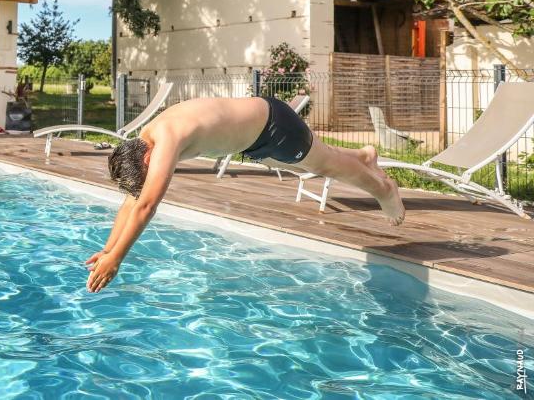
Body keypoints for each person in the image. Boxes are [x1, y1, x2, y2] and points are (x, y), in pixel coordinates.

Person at [85, 95, 406, 293]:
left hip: (273, 129)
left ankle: (384, 189)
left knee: (327, 166)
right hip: (259, 131)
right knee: (321, 155)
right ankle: (365, 157)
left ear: (145, 159)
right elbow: (133, 200)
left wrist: (118, 260)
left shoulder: (166, 138)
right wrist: (108, 249)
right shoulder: (145, 140)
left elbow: (147, 206)